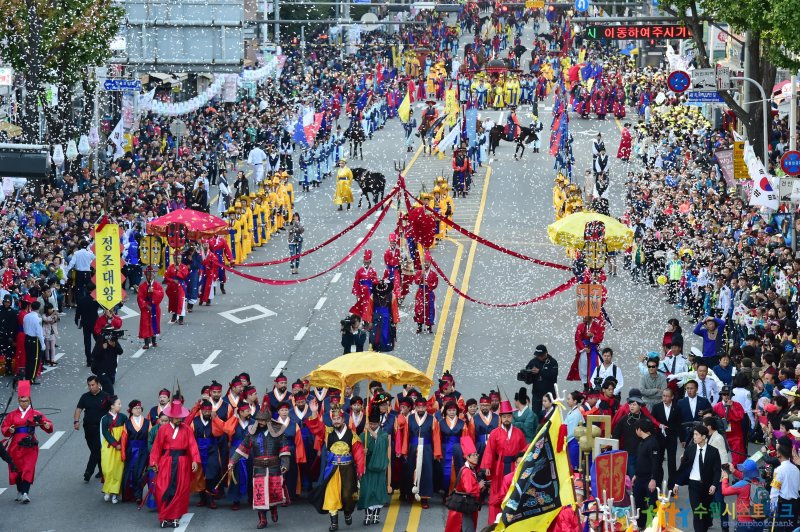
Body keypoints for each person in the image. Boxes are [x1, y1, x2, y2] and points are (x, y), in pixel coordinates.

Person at [306, 401, 366, 531]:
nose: (336, 421)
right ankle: (334, 523)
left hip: (348, 469)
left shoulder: (352, 435)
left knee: (348, 495)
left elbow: (359, 453)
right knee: (331, 495)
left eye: (338, 419)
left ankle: (348, 512)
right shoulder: (327, 432)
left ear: (343, 419)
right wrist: (314, 412)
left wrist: (360, 469)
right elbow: (316, 427)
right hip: (332, 468)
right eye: (334, 419)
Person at [228, 409, 291, 529]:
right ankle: (262, 519)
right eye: (259, 420)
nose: (261, 423)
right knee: (259, 494)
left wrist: (285, 464)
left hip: (274, 466)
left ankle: (273, 509)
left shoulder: (278, 432)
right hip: (258, 467)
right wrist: (232, 461)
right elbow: (242, 447)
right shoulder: (252, 433)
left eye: (263, 420)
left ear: (268, 420)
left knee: (274, 492)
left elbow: (284, 449)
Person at [149, 399, 201, 529]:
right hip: (167, 461)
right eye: (177, 417)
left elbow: (192, 445)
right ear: (171, 417)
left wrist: (195, 460)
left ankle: (175, 517)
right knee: (162, 488)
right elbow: (156, 447)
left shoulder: (187, 429)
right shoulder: (163, 429)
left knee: (180, 490)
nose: (180, 420)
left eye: (181, 417)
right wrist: (154, 461)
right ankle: (164, 516)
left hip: (182, 462)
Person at [0, 380, 54, 503]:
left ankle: (25, 492)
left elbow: (47, 424)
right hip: (15, 446)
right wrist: (10, 429)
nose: (23, 403)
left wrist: (46, 424)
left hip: (30, 445)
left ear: (29, 400)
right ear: (18, 401)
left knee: (28, 468)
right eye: (21, 401)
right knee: (17, 469)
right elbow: (4, 428)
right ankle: (20, 489)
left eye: (25, 401)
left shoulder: (35, 413)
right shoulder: (12, 415)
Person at [480, 399, 528, 525]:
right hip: (499, 467)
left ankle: (513, 521)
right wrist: (487, 466)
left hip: (513, 466)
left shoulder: (519, 433)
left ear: (512, 417)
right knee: (497, 494)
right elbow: (489, 450)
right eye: (504, 416)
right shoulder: (495, 433)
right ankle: (494, 523)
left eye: (509, 416)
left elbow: (523, 451)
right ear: (500, 417)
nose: (507, 419)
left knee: (513, 492)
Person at [673, 423, 721, 532]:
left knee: (704, 513)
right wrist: (677, 484)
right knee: (697, 512)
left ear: (704, 437)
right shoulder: (690, 450)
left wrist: (714, 484)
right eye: (693, 434)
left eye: (696, 434)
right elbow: (683, 468)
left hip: (707, 486)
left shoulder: (713, 451)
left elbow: (717, 470)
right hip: (693, 485)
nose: (694, 437)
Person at [399, 397, 442, 508]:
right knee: (410, 470)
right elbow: (406, 435)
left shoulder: (432, 419)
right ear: (415, 407)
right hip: (413, 447)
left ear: (426, 407)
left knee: (426, 471)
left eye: (423, 406)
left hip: (427, 447)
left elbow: (436, 437)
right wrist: (404, 450)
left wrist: (437, 452)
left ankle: (424, 497)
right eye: (419, 407)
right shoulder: (410, 418)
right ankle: (411, 493)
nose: (421, 408)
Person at [357, 408, 391, 526]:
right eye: (370, 423)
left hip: (379, 466)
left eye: (374, 424)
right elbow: (357, 449)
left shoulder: (383, 434)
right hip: (367, 466)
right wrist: (363, 451)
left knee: (378, 491)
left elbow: (381, 442)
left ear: (378, 424)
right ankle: (367, 516)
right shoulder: (363, 435)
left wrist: (370, 431)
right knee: (367, 491)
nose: (372, 425)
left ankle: (376, 515)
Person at [74, 375, 110, 482]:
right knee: (94, 449)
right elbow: (78, 409)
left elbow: (113, 410)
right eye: (89, 385)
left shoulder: (106, 396)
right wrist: (76, 421)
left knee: (96, 449)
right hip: (88, 428)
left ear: (98, 384)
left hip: (100, 429)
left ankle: (88, 471)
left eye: (93, 385)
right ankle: (102, 469)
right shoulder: (85, 396)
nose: (91, 387)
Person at [444, 436, 484, 532]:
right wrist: (479, 486)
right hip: (463, 509)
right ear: (467, 457)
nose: (476, 457)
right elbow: (469, 490)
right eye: (473, 455)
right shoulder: (467, 472)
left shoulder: (469, 469)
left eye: (476, 455)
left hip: (462, 506)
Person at [631, 419, 660, 530]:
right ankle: (641, 525)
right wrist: (636, 475)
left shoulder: (652, 443)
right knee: (639, 503)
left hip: (649, 479)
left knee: (652, 504)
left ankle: (652, 527)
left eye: (636, 429)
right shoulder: (642, 442)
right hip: (639, 478)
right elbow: (641, 460)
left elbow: (655, 463)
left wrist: (653, 479)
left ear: (639, 429)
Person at [121, 399, 151, 506]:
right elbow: (124, 439)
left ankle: (138, 495)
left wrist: (150, 452)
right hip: (131, 451)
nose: (138, 410)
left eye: (139, 408)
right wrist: (123, 453)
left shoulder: (147, 422)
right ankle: (130, 494)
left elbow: (149, 438)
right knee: (130, 473)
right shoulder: (127, 423)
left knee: (139, 473)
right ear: (131, 410)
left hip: (143, 450)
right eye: (135, 408)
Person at [769, 436, 800, 532]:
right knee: (792, 528)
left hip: (784, 505)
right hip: (795, 504)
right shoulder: (796, 469)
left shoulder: (779, 470)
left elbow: (774, 491)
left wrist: (772, 508)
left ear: (778, 454)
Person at [651, 388, 681, 488]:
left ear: (672, 397)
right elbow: (653, 422)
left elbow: (679, 424)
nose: (665, 398)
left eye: (667, 396)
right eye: (663, 396)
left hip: (672, 438)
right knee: (658, 461)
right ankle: (658, 484)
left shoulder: (677, 408)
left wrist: (681, 437)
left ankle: (671, 486)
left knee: (672, 463)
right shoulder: (656, 407)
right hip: (659, 438)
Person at [100, 394, 127, 504]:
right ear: (112, 406)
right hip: (109, 446)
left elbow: (125, 431)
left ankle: (115, 493)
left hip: (121, 446)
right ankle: (107, 490)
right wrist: (115, 444)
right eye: (118, 404)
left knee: (117, 470)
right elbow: (105, 433)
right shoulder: (105, 419)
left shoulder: (123, 417)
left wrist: (121, 443)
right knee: (107, 469)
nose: (120, 406)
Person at [518, 344, 558, 414]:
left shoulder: (553, 362)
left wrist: (540, 372)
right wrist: (527, 375)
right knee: (535, 414)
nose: (539, 357)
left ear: (546, 353)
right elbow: (528, 378)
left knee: (552, 414)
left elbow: (553, 376)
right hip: (537, 393)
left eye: (541, 355)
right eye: (537, 355)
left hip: (550, 394)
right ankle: (537, 425)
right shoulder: (533, 362)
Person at [712, 386, 746, 466]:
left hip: (735, 435)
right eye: (724, 394)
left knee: (738, 457)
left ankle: (737, 474)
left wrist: (732, 407)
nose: (726, 396)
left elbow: (740, 417)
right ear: (721, 395)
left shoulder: (737, 405)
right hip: (722, 435)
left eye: (728, 394)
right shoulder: (716, 407)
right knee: (719, 457)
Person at [91, 327, 123, 395]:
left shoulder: (113, 341)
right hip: (102, 371)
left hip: (111, 370)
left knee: (106, 390)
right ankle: (108, 403)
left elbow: (120, 351)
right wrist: (102, 348)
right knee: (110, 392)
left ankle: (102, 401)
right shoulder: (101, 340)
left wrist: (114, 345)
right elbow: (94, 354)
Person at [137, 266, 164, 349]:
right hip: (146, 308)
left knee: (154, 323)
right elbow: (139, 298)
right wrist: (146, 305)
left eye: (151, 275)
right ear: (146, 275)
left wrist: (154, 292)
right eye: (148, 275)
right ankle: (146, 342)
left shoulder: (157, 285)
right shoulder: (142, 286)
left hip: (154, 307)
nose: (149, 276)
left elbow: (161, 295)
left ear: (154, 275)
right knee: (145, 324)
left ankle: (153, 340)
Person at [413, 252, 438, 334]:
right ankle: (419, 325)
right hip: (420, 292)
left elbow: (435, 284)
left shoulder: (433, 274)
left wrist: (429, 284)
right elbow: (416, 281)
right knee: (419, 308)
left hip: (429, 292)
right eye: (425, 262)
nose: (426, 264)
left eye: (427, 262)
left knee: (429, 309)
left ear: (430, 263)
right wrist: (421, 277)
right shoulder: (420, 272)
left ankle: (429, 326)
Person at [22, 300, 45, 383]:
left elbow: (24, 328)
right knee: (35, 360)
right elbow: (39, 332)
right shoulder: (38, 318)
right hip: (35, 340)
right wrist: (42, 344)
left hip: (27, 338)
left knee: (28, 359)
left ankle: (27, 376)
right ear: (38, 308)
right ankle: (31, 378)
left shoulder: (26, 316)